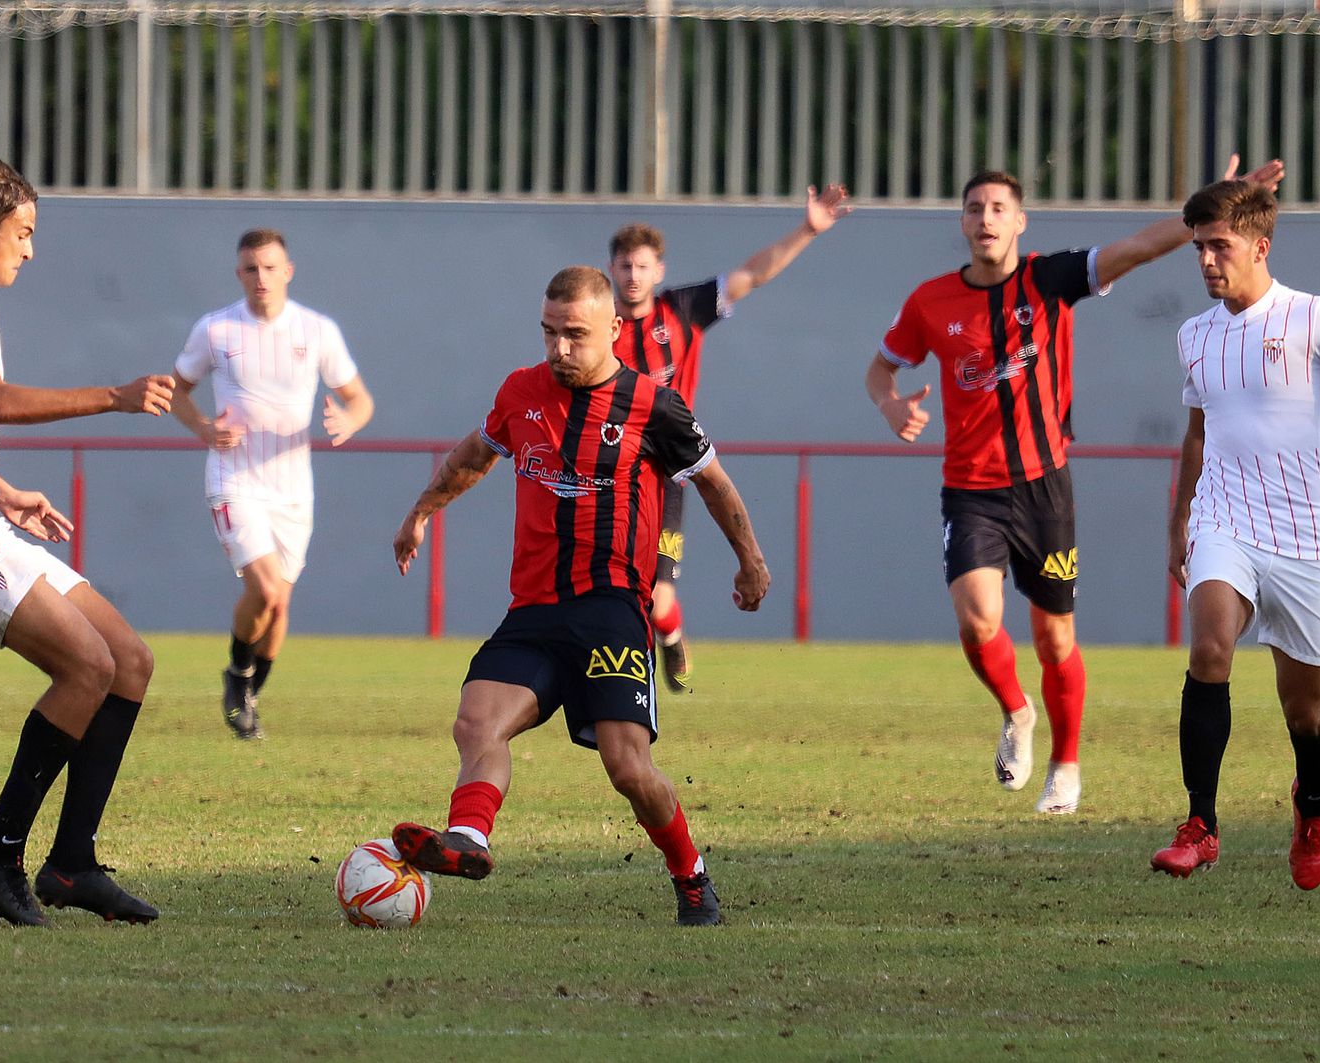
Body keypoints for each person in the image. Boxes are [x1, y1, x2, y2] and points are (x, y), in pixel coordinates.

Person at [866, 157, 1283, 816]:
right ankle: (1016, 710)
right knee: (978, 620)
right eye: (975, 208)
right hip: (970, 489)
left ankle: (1066, 765)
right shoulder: (930, 301)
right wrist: (890, 404)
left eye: (999, 208)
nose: (986, 219)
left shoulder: (1051, 279)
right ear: (963, 222)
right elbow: (880, 369)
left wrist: (1218, 212)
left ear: (1020, 222)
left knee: (1056, 638)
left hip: (1044, 487)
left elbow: (1139, 248)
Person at [389, 266, 770, 926]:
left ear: (615, 331)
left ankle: (690, 874)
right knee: (477, 721)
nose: (559, 349)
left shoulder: (654, 405)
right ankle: (470, 839)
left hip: (612, 610)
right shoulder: (520, 391)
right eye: (548, 333)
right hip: (534, 609)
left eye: (575, 335)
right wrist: (422, 510)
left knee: (629, 768)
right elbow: (477, 453)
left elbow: (713, 483)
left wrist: (751, 563)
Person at [0, 157, 175, 925]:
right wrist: (113, 395)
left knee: (130, 662)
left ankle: (73, 864)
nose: (31, 249)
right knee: (87, 664)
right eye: (24, 232)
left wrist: (5, 492)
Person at [1149, 180, 1320, 888]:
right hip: (1225, 521)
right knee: (1210, 646)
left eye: (1218, 245)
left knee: (1305, 711)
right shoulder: (1194, 335)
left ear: (1260, 245)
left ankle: (1312, 806)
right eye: (1198, 248)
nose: (1206, 260)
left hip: (1306, 537)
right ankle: (1201, 824)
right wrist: (1181, 516)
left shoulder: (1314, 318)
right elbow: (1197, 434)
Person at [608, 186, 851, 692]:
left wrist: (808, 229)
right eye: (625, 266)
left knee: (658, 600)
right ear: (612, 270)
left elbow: (752, 274)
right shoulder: (595, 324)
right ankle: (623, 676)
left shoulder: (682, 310)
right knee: (612, 589)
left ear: (659, 271)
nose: (633, 276)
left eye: (642, 266)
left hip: (669, 472)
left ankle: (669, 640)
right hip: (608, 474)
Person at [169, 229, 373, 739]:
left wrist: (349, 421)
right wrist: (203, 428)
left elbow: (360, 399)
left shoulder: (317, 330)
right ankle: (238, 677)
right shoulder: (216, 330)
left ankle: (250, 693)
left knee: (279, 604)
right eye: (250, 269)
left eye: (269, 267)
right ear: (239, 274)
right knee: (261, 588)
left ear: (288, 271)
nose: (260, 277)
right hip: (234, 476)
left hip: (293, 486)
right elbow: (176, 392)